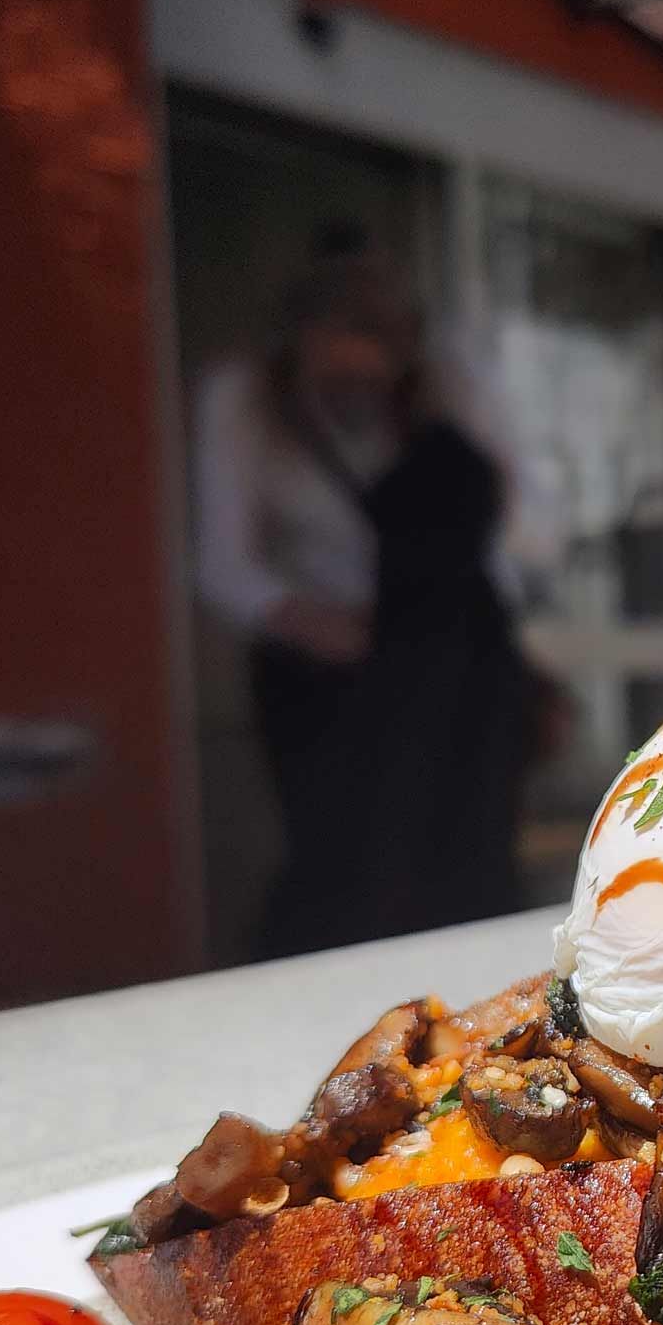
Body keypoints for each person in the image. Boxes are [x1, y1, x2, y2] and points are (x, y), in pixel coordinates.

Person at [193, 229, 543, 955]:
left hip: (446, 669)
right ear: (301, 335)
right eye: (346, 338)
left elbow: (516, 525)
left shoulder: (435, 402)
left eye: (385, 342)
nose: (363, 371)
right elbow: (223, 562)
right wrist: (311, 622)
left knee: (468, 866)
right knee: (350, 875)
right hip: (327, 679)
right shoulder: (246, 402)